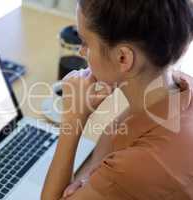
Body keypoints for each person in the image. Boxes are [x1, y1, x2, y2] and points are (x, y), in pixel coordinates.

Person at [41, 0, 193, 199]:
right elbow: (115, 144)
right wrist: (96, 180)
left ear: (123, 58)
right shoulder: (179, 86)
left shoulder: (139, 165)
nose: (81, 52)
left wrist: (72, 121)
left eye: (85, 42)